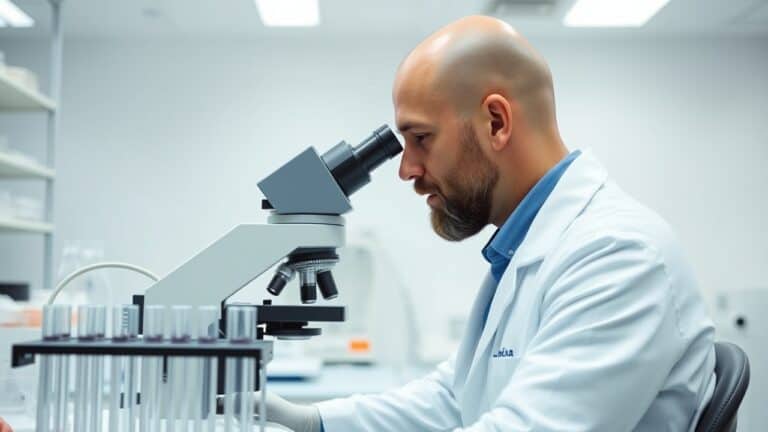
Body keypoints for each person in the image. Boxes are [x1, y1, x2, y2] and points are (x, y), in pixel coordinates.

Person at [263, 14, 716, 432]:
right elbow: (455, 398)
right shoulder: (526, 248)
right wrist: (312, 421)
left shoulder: (618, 255)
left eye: (421, 138)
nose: (406, 169)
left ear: (496, 122)